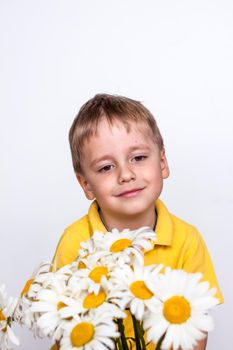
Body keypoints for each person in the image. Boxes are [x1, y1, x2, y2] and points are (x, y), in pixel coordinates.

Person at [53, 93, 223, 350]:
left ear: (163, 163)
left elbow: (196, 328)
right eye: (106, 167)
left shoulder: (187, 240)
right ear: (86, 184)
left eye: (139, 158)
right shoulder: (75, 242)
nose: (126, 174)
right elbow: (61, 327)